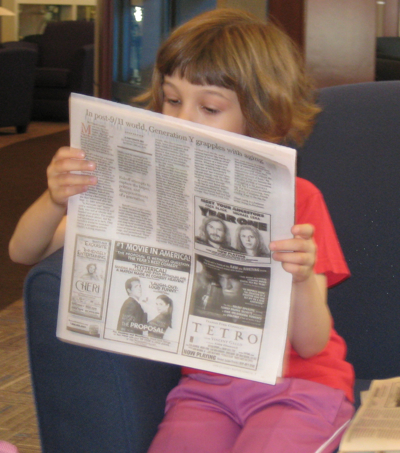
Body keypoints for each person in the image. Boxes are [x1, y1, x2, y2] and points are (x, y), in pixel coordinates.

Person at [9, 8, 355, 452]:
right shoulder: (151, 193)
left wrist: (301, 279)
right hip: (205, 391)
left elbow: (312, 343)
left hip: (300, 387)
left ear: (263, 116)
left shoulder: (300, 199)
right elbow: (24, 250)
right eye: (172, 100)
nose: (182, 119)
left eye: (209, 107)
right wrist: (55, 198)